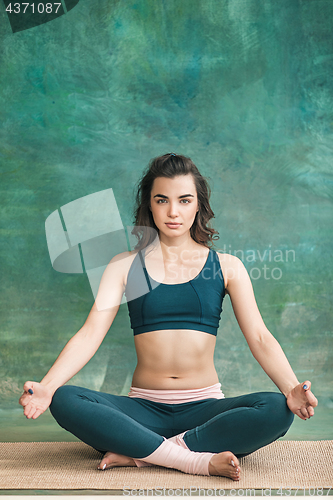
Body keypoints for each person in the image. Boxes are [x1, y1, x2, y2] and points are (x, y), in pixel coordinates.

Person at [19, 153, 318, 481]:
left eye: (184, 200)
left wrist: (291, 387)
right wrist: (47, 387)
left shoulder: (227, 266)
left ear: (198, 205)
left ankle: (144, 454)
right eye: (162, 200)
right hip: (141, 411)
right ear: (149, 204)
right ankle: (195, 460)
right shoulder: (124, 265)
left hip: (206, 411)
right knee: (65, 399)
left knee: (277, 409)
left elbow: (260, 337)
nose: (173, 212)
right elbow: (90, 333)